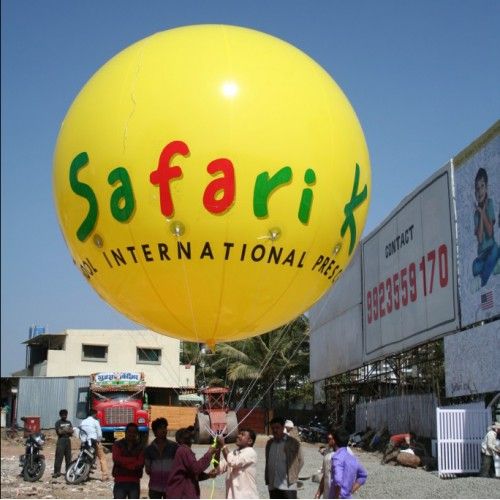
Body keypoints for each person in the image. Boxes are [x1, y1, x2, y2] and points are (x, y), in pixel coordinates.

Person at [165, 425, 222, 499]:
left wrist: (208, 475)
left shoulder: (183, 451)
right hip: (181, 494)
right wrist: (209, 453)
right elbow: (196, 469)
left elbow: (192, 474)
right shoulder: (183, 450)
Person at [265, 416, 304, 499]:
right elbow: (267, 462)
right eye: (273, 428)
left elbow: (301, 461)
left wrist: (293, 475)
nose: (275, 430)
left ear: (283, 427)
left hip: (288, 485)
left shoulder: (293, 442)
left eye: (277, 427)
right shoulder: (269, 443)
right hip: (273, 484)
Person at [472, 167, 499, 287]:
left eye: (482, 186)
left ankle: (482, 281)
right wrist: (479, 212)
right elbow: (480, 239)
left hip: (492, 248)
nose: (480, 191)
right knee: (475, 266)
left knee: (495, 251)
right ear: (475, 192)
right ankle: (494, 267)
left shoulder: (490, 204)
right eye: (477, 188)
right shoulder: (475, 214)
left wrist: (483, 212)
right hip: (482, 255)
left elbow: (490, 231)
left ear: (486, 187)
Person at [215, 428, 259, 499]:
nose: (238, 436)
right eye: (239, 434)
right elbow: (217, 469)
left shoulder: (251, 453)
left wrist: (223, 445)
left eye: (242, 435)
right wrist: (218, 448)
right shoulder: (233, 453)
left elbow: (232, 462)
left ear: (250, 441)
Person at [328, 428, 367, 499]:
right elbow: (363, 475)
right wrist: (350, 491)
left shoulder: (336, 457)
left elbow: (338, 480)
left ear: (334, 441)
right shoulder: (353, 458)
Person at [144, 417, 178, 498]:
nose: (163, 430)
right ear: (155, 431)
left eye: (165, 428)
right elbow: (147, 470)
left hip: (171, 486)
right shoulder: (149, 449)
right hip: (154, 488)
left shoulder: (174, 446)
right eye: (160, 428)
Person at [112, 422, 145, 498]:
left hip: (134, 482)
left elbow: (140, 463)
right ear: (125, 433)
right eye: (130, 431)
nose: (132, 434)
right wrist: (133, 460)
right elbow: (116, 459)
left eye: (134, 432)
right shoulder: (117, 444)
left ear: (137, 434)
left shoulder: (140, 447)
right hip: (120, 481)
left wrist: (123, 463)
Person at [80, 409, 109, 481]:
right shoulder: (95, 422)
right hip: (95, 442)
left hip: (86, 443)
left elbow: (81, 433)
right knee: (102, 458)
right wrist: (99, 440)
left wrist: (83, 440)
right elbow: (99, 434)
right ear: (94, 414)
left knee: (86, 457)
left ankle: (85, 474)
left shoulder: (83, 422)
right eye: (96, 414)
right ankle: (105, 476)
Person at [53, 409, 73, 478]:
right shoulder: (58, 422)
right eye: (63, 415)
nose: (65, 416)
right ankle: (56, 472)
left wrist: (64, 429)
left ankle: (68, 471)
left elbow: (71, 431)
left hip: (68, 440)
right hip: (61, 440)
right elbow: (59, 432)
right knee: (59, 457)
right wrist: (67, 430)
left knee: (68, 457)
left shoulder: (69, 422)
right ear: (60, 415)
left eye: (66, 414)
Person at [314, 431, 335, 499]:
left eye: (330, 439)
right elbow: (326, 474)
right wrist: (319, 492)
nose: (329, 441)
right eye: (328, 439)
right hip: (327, 493)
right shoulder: (328, 451)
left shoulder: (346, 454)